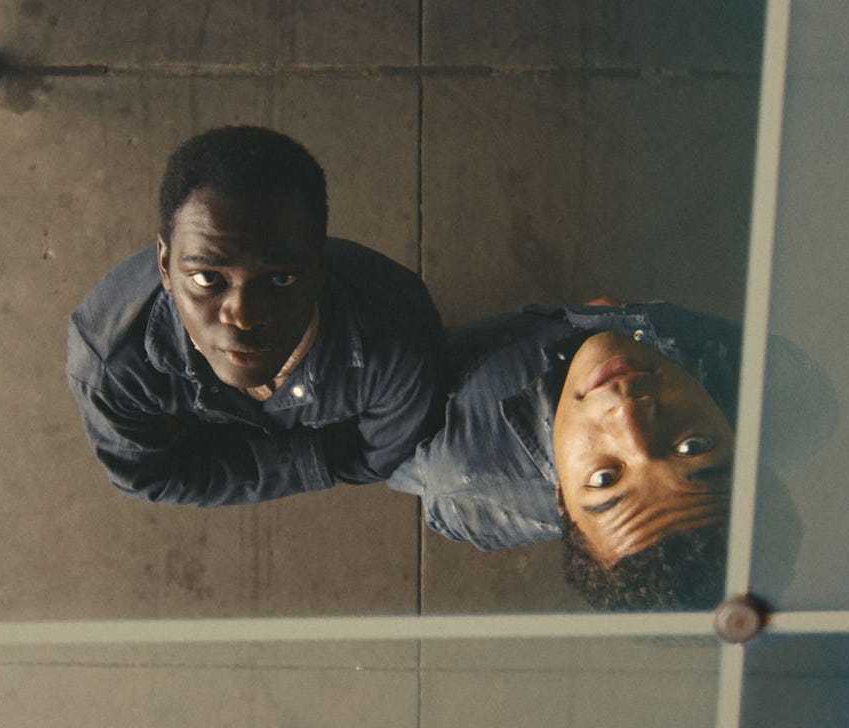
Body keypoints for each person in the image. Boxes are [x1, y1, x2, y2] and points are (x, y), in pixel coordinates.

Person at [68, 126, 445, 507]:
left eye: (281, 279)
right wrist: (320, 450)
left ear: (320, 266)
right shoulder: (109, 359)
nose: (243, 316)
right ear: (164, 264)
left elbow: (377, 461)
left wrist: (202, 450)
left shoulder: (401, 339)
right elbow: (150, 480)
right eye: (207, 278)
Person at [388, 300, 741, 610]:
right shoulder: (762, 370)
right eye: (693, 446)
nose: (627, 413)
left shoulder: (461, 478)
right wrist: (602, 318)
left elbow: (385, 445)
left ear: (561, 499)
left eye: (605, 479)